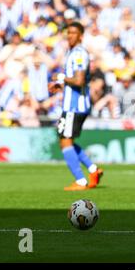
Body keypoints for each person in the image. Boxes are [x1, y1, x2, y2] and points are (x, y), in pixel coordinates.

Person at [52, 21, 103, 191]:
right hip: (74, 105)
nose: (70, 35)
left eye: (74, 33)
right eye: (68, 32)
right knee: (67, 140)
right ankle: (93, 169)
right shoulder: (73, 52)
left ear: (81, 35)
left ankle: (80, 180)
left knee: (65, 142)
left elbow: (79, 80)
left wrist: (62, 78)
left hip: (75, 106)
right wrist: (61, 83)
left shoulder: (79, 54)